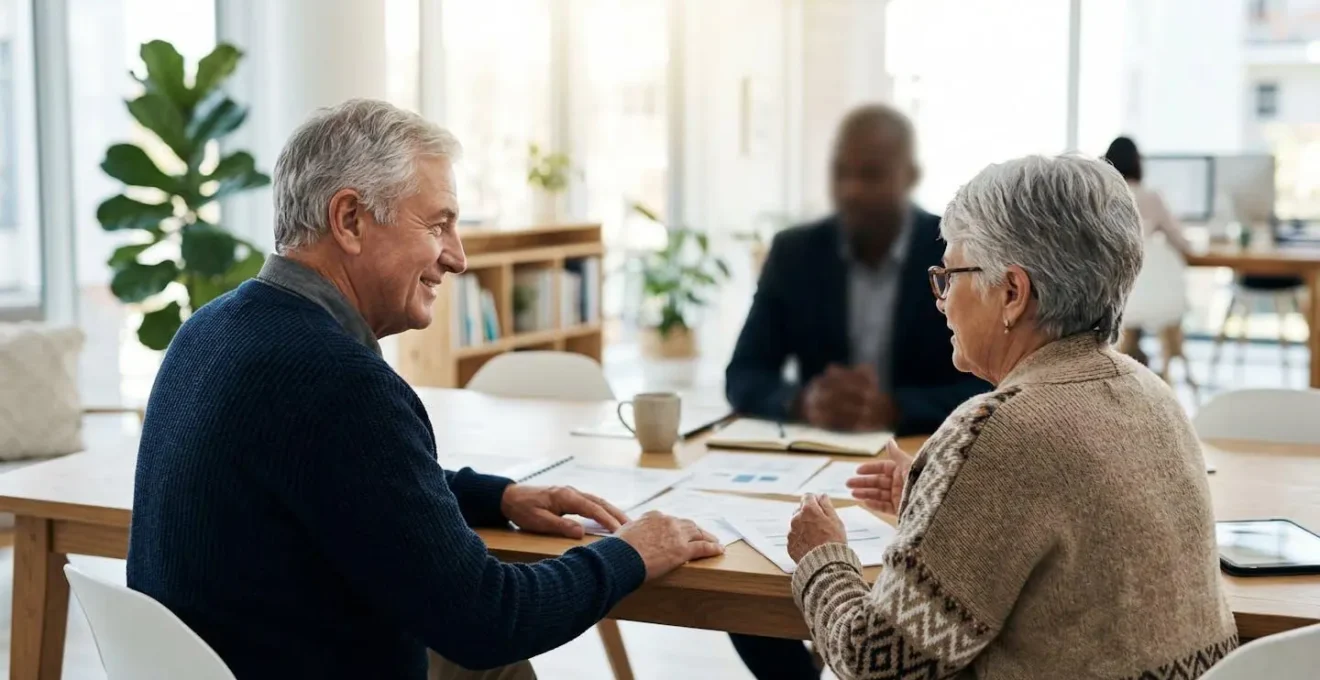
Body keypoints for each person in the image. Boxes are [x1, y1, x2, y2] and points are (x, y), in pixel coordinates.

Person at [126, 99, 723, 680]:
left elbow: (352, 485)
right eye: (438, 225)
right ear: (350, 220)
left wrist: (499, 497)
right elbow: (489, 620)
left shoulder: (207, 330)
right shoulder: (341, 382)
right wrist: (630, 552)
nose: (457, 258)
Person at [786, 155, 1238, 679]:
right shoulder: (1153, 394)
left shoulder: (1000, 431)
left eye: (950, 277)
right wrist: (932, 496)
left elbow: (876, 663)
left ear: (1012, 293)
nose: (942, 302)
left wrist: (824, 557)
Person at [723, 105, 988, 678]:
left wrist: (895, 406)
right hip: (814, 466)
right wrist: (803, 402)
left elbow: (986, 386)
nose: (851, 190)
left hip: (918, 465)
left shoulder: (953, 257)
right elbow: (743, 374)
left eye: (870, 174)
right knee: (738, 575)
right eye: (841, 172)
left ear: (908, 175)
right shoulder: (795, 251)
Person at [1104, 136, 1192, 366]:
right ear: (1138, 163)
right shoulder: (1151, 197)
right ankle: (1167, 361)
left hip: (1116, 300)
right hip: (1156, 298)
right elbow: (1180, 241)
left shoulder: (1102, 196)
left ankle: (1131, 353)